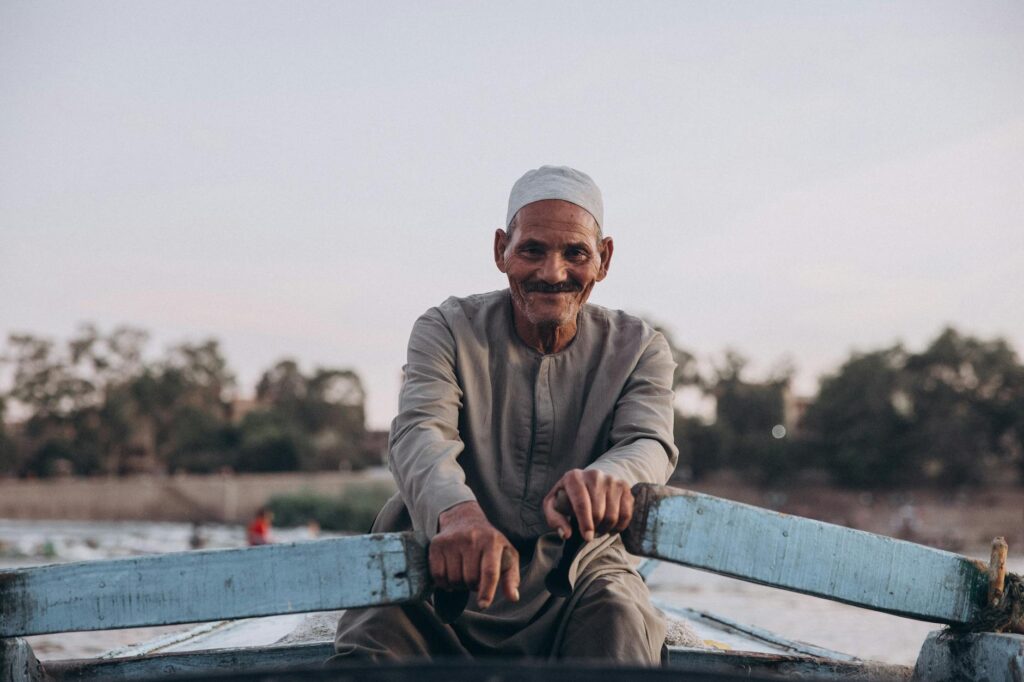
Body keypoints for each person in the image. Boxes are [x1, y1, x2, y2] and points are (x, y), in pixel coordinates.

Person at [333, 165, 677, 663]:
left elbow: (649, 442)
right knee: (375, 642)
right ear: (501, 251)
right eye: (532, 250)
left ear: (603, 260)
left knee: (620, 622)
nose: (553, 274)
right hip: (439, 567)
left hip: (577, 578)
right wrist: (456, 516)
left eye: (575, 254)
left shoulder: (640, 347)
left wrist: (610, 478)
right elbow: (419, 432)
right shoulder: (446, 329)